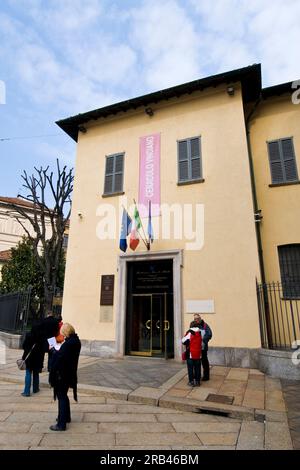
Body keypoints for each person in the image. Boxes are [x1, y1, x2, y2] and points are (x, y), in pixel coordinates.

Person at [49, 323, 81, 431]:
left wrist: (53, 350)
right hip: (69, 373)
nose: (61, 333)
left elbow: (60, 358)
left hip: (63, 374)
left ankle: (61, 424)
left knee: (61, 397)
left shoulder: (68, 344)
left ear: (65, 332)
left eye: (62, 331)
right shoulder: (75, 341)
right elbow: (64, 355)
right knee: (64, 395)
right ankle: (66, 417)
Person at [21, 325, 45, 397]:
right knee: (36, 373)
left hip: (29, 358)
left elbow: (24, 346)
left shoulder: (29, 335)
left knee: (28, 373)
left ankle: (26, 391)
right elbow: (44, 349)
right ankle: (35, 388)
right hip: (38, 358)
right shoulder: (42, 337)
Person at [182, 320, 202, 387]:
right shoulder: (200, 332)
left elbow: (183, 341)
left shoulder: (190, 332)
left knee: (190, 368)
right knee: (198, 368)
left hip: (191, 354)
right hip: (198, 353)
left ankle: (191, 382)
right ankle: (198, 382)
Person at [193, 313, 212, 381]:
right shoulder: (193, 325)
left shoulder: (205, 325)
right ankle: (196, 375)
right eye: (195, 319)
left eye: (198, 318)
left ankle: (206, 376)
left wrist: (203, 340)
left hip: (203, 347)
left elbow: (209, 334)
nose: (196, 320)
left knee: (204, 362)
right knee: (196, 362)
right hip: (195, 348)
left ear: (200, 318)